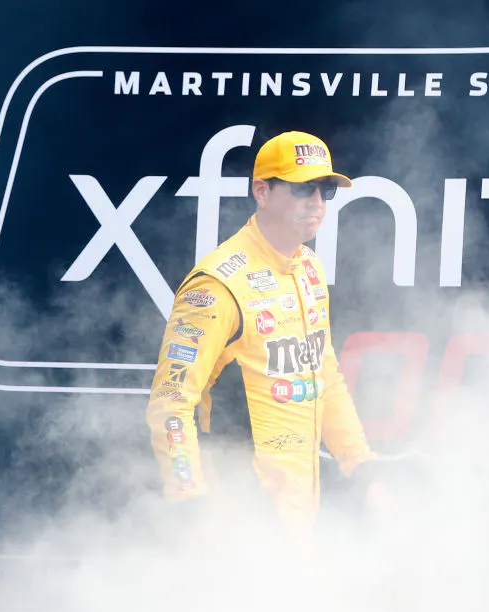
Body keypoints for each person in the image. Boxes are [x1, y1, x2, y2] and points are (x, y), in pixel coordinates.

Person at [145, 130, 388, 544]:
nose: (316, 202)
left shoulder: (308, 268)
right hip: (238, 515)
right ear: (262, 191)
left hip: (297, 514)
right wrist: (189, 501)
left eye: (325, 190)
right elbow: (170, 404)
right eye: (303, 188)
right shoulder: (216, 285)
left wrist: (364, 470)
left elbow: (326, 379)